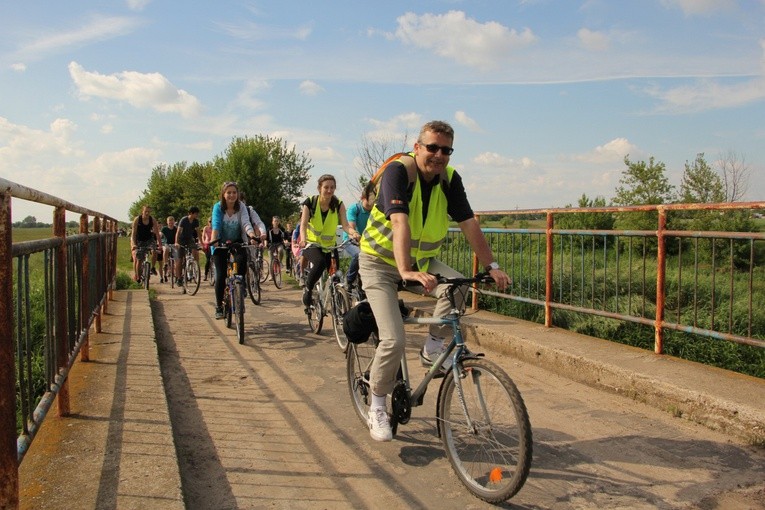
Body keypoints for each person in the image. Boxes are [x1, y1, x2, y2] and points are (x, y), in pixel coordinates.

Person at [359, 120, 510, 442]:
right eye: (432, 147)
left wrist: (492, 265)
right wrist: (405, 270)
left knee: (457, 285)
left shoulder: (450, 180)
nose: (439, 155)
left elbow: (469, 223)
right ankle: (377, 405)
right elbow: (399, 221)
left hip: (421, 263)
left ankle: (432, 348)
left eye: (446, 150)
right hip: (379, 264)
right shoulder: (399, 172)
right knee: (394, 340)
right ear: (417, 148)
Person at [299, 174, 359, 312]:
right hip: (312, 244)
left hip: (330, 246)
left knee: (336, 276)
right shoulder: (310, 203)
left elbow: (345, 225)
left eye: (332, 187)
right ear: (319, 188)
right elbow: (303, 225)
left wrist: (354, 233)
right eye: (326, 187)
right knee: (319, 263)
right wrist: (303, 239)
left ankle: (337, 304)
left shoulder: (338, 204)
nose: (329, 190)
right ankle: (308, 289)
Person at [209, 182, 259, 319]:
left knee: (242, 264)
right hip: (220, 243)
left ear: (237, 194)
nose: (231, 195)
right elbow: (216, 224)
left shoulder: (241, 207)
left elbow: (246, 223)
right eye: (228, 192)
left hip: (237, 241)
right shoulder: (218, 207)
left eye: (234, 192)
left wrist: (252, 235)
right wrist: (214, 240)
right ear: (223, 195)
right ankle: (219, 306)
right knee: (220, 275)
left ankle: (239, 287)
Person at [344, 181, 376, 289]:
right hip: (350, 241)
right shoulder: (354, 209)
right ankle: (349, 280)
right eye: (369, 200)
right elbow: (351, 227)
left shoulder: (375, 211)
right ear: (362, 198)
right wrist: (355, 235)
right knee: (358, 255)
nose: (371, 203)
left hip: (366, 242)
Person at [130, 205, 162, 282]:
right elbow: (133, 233)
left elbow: (157, 233)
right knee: (139, 259)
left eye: (149, 212)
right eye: (146, 211)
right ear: (142, 211)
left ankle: (153, 267)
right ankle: (138, 277)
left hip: (149, 239)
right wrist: (134, 244)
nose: (147, 213)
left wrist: (160, 244)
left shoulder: (152, 220)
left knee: (154, 251)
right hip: (139, 240)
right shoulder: (137, 219)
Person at [175, 206, 201, 286]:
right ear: (190, 213)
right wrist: (176, 242)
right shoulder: (184, 220)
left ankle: (195, 266)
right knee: (179, 259)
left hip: (190, 239)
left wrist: (201, 243)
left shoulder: (196, 221)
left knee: (195, 250)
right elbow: (178, 232)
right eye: (196, 213)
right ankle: (179, 278)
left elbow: (198, 232)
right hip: (181, 240)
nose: (197, 215)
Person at [160, 216, 178, 283]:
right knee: (166, 249)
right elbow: (160, 235)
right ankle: (165, 263)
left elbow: (179, 235)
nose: (171, 223)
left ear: (174, 222)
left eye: (172, 222)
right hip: (166, 244)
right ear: (167, 222)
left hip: (174, 244)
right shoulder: (164, 229)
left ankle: (177, 275)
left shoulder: (176, 229)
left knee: (177, 259)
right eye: (169, 222)